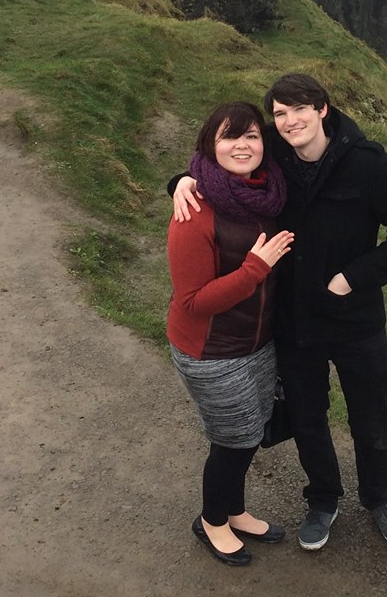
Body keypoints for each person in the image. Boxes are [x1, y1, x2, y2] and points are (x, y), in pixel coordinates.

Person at [173, 74, 387, 552]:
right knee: (308, 418)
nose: (290, 121)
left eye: (300, 109)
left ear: (322, 109)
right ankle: (323, 500)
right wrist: (183, 180)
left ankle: (380, 498)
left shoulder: (368, 163)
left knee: (370, 416)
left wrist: (352, 277)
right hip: (294, 321)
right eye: (280, 113)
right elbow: (224, 163)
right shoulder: (275, 153)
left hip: (356, 320)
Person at [166, 101, 294, 568]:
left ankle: (234, 509)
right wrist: (255, 269)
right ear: (209, 145)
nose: (242, 146)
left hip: (256, 343)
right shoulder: (194, 211)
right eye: (229, 137)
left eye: (252, 136)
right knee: (234, 440)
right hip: (211, 351)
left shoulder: (269, 191)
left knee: (249, 432)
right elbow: (193, 302)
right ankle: (212, 520)